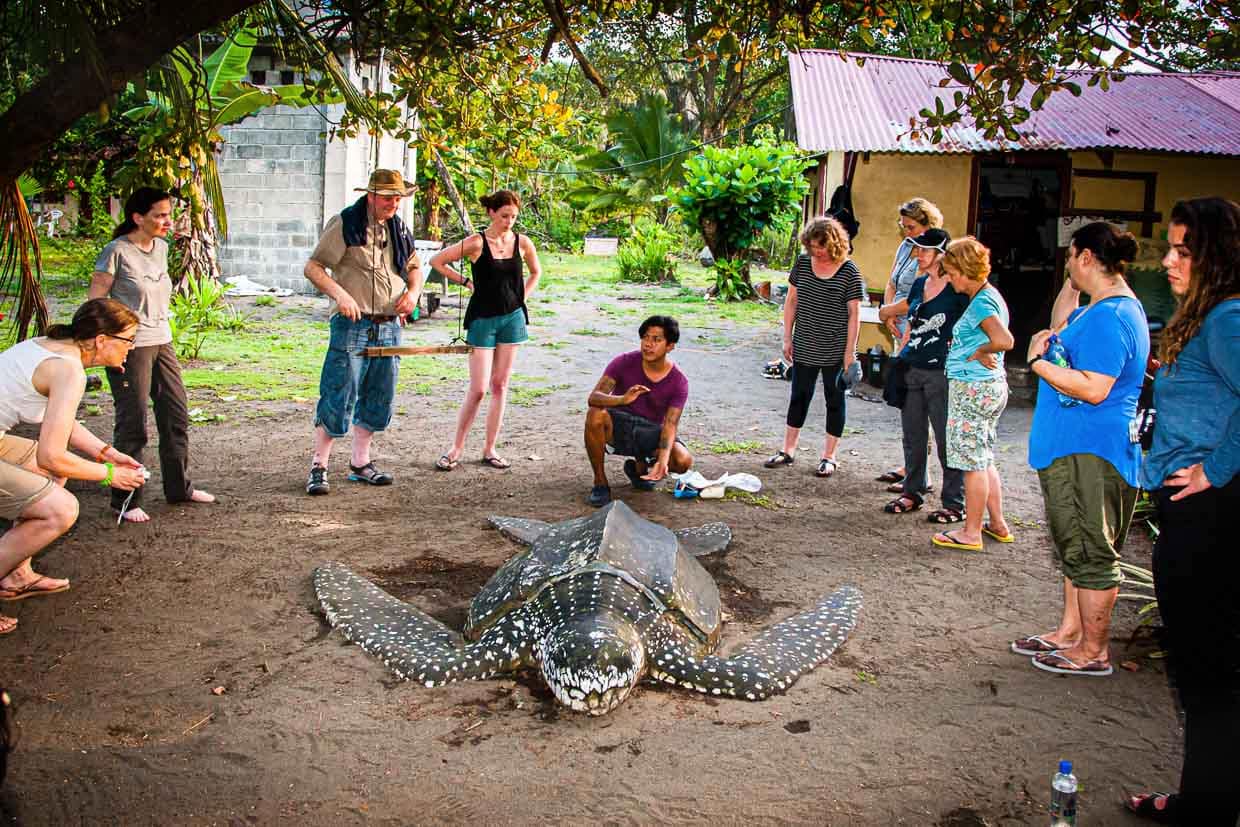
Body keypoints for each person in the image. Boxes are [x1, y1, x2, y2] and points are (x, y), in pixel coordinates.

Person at [1126, 197, 1240, 825]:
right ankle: (1208, 798)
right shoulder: (1206, 319)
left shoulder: (1226, 318)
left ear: (1215, 258)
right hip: (1195, 505)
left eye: (1182, 251)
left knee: (1206, 670)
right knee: (1205, 668)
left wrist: (1215, 469)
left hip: (1208, 513)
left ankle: (1205, 807)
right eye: (1170, 247)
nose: (1167, 260)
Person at [1011, 222, 1148, 678]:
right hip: (1073, 449)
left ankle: (1094, 651)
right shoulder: (1097, 309)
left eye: (1071, 256)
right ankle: (1070, 632)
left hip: (1091, 451)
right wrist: (1070, 289)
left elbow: (1094, 387)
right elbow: (1059, 323)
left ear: (1087, 256)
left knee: (1091, 550)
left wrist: (1037, 364)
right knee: (1074, 546)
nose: (1067, 263)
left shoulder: (1112, 317)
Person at [0, 299, 148, 635]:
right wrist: (111, 476)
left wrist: (106, 453)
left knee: (54, 477)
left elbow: (59, 421)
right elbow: (50, 453)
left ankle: (15, 574)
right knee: (60, 510)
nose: (131, 349)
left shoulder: (50, 347)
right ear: (101, 340)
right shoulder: (68, 370)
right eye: (128, 341)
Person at [89, 187, 214, 520]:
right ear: (137, 218)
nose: (166, 221)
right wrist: (100, 343)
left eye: (167, 214)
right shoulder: (116, 251)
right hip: (128, 347)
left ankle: (179, 488)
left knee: (175, 414)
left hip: (162, 340)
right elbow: (95, 302)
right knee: (133, 424)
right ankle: (126, 499)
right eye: (159, 215)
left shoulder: (160, 248)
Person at [303, 169, 424, 495]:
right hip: (352, 324)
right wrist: (340, 296)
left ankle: (360, 463)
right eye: (388, 197)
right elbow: (313, 267)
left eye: (398, 197)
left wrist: (412, 294)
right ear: (370, 195)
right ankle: (319, 465)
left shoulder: (399, 227)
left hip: (389, 325)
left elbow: (414, 268)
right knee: (339, 389)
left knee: (378, 392)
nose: (394, 203)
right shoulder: (346, 223)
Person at [429, 190, 542, 472]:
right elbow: (438, 261)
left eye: (514, 217)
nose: (509, 222)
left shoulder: (522, 242)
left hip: (512, 318)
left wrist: (522, 297)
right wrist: (466, 281)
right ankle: (455, 448)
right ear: (492, 213)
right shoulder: (477, 242)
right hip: (482, 318)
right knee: (479, 389)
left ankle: (490, 448)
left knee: (500, 385)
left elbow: (536, 272)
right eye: (504, 216)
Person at [877, 228, 968, 523]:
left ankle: (954, 502)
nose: (919, 255)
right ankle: (913, 490)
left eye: (926, 250)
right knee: (913, 434)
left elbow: (978, 325)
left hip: (942, 371)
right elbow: (910, 320)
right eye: (917, 249)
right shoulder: (918, 286)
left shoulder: (958, 289)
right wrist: (891, 324)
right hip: (913, 366)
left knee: (945, 438)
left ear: (943, 254)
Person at [764, 216, 864, 479]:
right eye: (812, 246)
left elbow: (854, 314)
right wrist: (787, 337)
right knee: (799, 396)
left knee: (834, 400)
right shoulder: (803, 264)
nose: (816, 251)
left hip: (835, 347)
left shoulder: (849, 271)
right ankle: (788, 450)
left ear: (833, 243)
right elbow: (792, 301)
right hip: (805, 343)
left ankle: (829, 456)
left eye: (820, 246)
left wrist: (849, 353)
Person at [931, 237, 1013, 552]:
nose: (950, 280)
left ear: (966, 269)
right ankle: (997, 523)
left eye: (951, 273)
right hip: (986, 386)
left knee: (971, 461)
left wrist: (980, 349)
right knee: (983, 456)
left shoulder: (982, 302)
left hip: (973, 388)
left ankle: (971, 532)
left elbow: (1004, 340)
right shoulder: (989, 296)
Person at [584, 316, 692, 507]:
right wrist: (622, 399)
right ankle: (600, 483)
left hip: (650, 432)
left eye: (656, 340)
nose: (648, 344)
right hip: (619, 425)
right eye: (645, 338)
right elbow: (594, 397)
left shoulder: (679, 381)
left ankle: (639, 468)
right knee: (595, 414)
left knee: (683, 461)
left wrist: (663, 461)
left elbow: (670, 423)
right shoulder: (624, 362)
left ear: (670, 346)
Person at [877, 197, 945, 489]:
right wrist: (888, 312)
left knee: (920, 404)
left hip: (917, 331)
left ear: (928, 224)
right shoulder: (906, 247)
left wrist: (890, 311)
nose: (907, 232)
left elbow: (920, 297)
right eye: (903, 226)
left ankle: (920, 473)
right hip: (898, 323)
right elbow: (892, 282)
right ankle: (911, 466)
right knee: (907, 403)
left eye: (912, 226)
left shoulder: (932, 254)